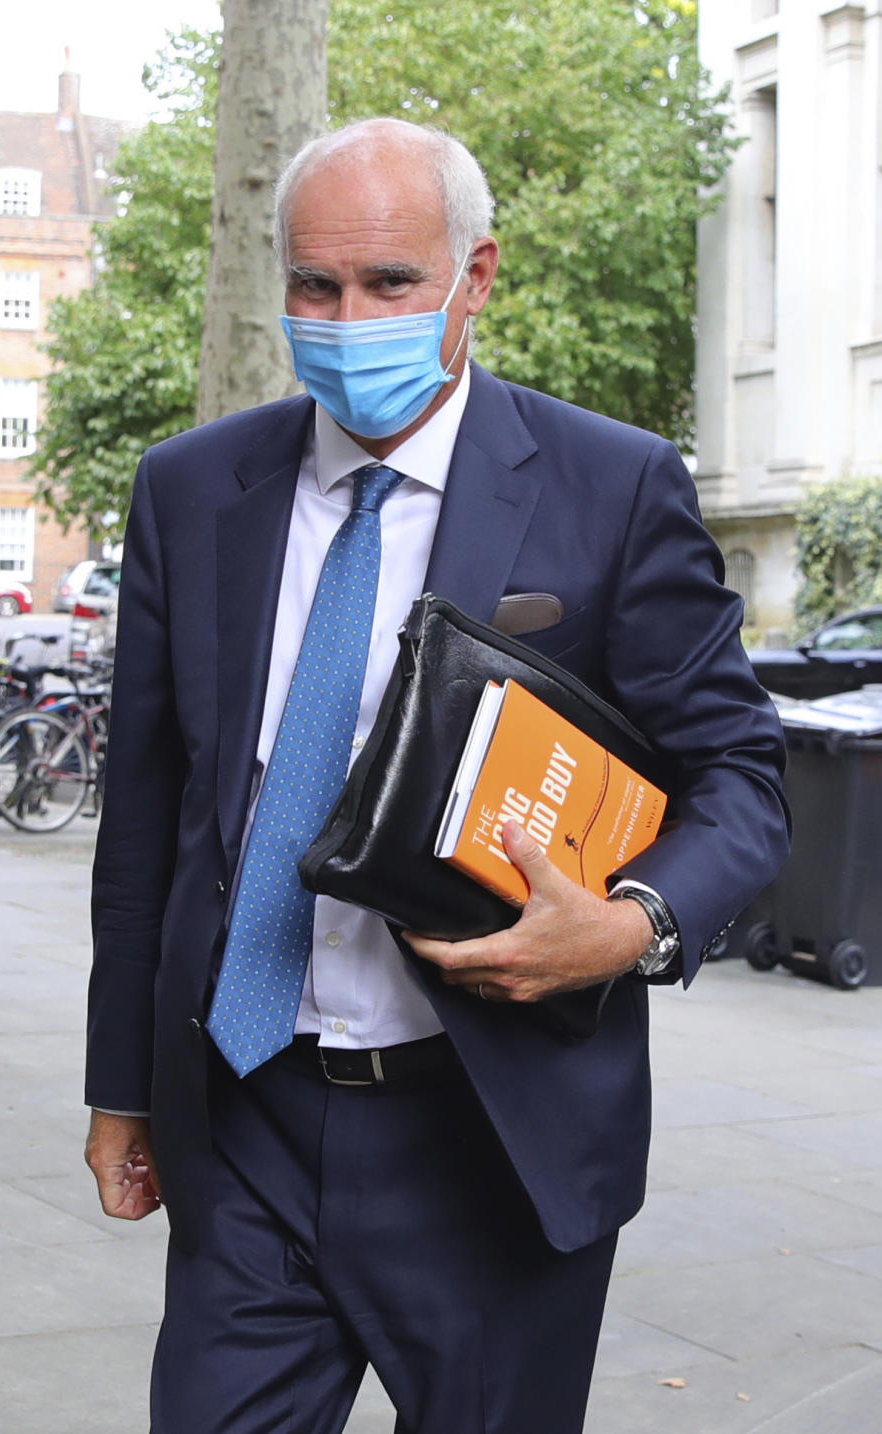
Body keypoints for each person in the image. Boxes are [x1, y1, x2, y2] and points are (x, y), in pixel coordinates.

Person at [85, 118, 789, 1434]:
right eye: (315, 285)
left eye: (391, 283)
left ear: (476, 278)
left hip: (488, 1142)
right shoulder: (190, 491)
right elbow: (149, 811)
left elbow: (744, 774)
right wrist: (121, 1078)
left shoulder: (612, 486)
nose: (347, 319)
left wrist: (632, 925)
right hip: (246, 1117)